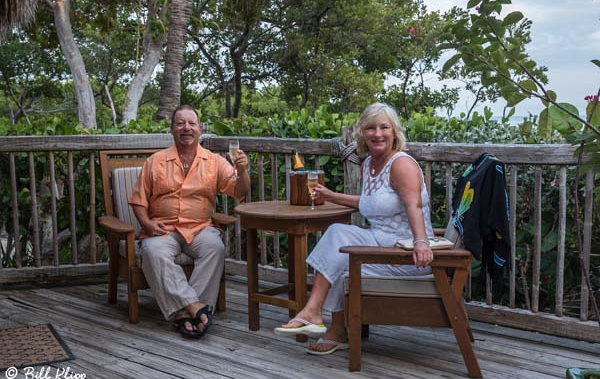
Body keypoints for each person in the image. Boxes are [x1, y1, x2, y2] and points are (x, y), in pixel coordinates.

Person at [274, 102, 434, 355]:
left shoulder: (402, 164)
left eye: (384, 127)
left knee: (340, 244)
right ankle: (327, 323)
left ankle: (320, 318)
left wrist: (421, 243)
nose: (378, 134)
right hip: (379, 243)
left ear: (395, 133)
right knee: (339, 245)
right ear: (362, 133)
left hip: (405, 255)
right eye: (371, 128)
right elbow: (369, 203)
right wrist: (329, 195)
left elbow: (413, 205)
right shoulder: (369, 164)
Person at [129, 105, 249, 338]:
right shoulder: (156, 161)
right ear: (172, 129)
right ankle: (196, 308)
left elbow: (239, 192)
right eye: (181, 123)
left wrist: (242, 171)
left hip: (200, 227)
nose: (187, 128)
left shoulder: (214, 161)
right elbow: (138, 200)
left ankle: (184, 313)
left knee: (215, 247)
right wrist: (147, 224)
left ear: (200, 129)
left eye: (192, 124)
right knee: (153, 251)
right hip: (163, 228)